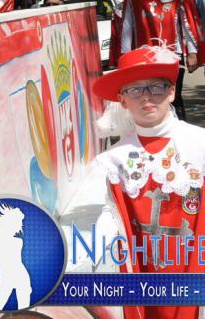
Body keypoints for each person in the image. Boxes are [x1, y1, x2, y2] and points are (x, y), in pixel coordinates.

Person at [88, 45, 205, 319]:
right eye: (135, 90)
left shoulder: (200, 145)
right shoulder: (112, 161)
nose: (146, 97)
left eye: (156, 87)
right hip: (143, 277)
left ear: (172, 92)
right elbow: (105, 221)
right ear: (122, 100)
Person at [120, 0, 205, 120]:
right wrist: (125, 54)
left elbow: (187, 22)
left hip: (173, 53)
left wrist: (192, 52)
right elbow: (127, 23)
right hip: (143, 55)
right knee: (149, 96)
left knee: (174, 95)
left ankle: (178, 129)